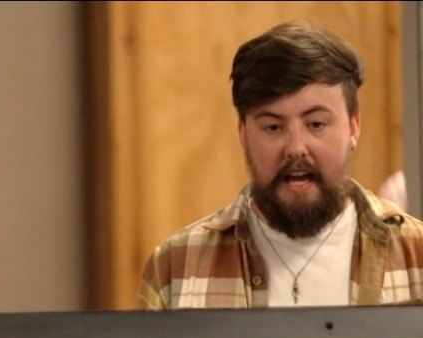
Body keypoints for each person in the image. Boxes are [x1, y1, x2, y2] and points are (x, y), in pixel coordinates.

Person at [133, 22, 423, 310]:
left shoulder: (416, 254)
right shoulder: (177, 267)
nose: (296, 148)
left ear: (353, 128)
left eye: (316, 124)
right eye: (273, 127)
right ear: (244, 135)